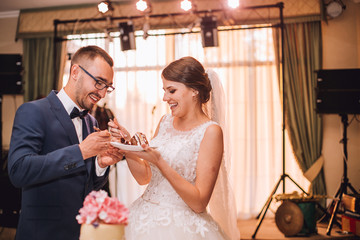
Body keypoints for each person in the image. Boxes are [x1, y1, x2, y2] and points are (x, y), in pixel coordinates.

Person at [109, 56, 240, 239]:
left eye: (171, 91)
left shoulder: (210, 132)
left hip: (181, 226)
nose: (165, 98)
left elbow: (199, 203)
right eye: (164, 91)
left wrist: (160, 162)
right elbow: (144, 177)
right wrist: (128, 146)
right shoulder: (165, 122)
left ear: (194, 90)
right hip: (142, 217)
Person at [7, 45, 124, 240]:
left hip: (78, 233)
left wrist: (101, 164)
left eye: (108, 87)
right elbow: (19, 171)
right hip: (41, 234)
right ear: (75, 72)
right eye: (99, 82)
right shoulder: (33, 111)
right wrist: (80, 151)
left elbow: (86, 185)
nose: (103, 94)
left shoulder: (91, 122)